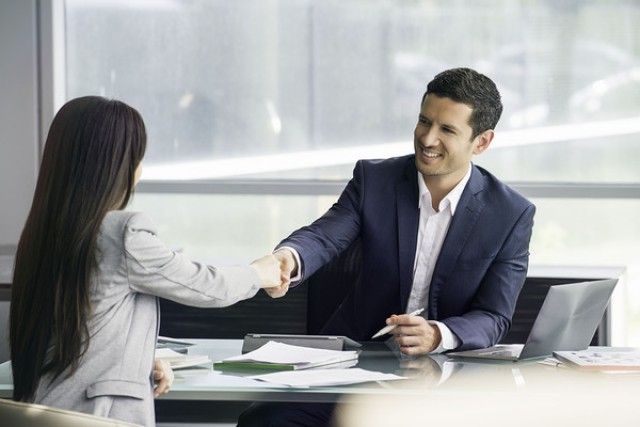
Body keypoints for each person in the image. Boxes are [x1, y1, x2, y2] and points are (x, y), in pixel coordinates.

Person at [239, 67, 536, 426]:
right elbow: (324, 235)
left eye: (447, 130)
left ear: (482, 142)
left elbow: (494, 316)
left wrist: (438, 334)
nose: (428, 139)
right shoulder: (374, 180)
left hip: (443, 381)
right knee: (266, 420)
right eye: (424, 122)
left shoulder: (510, 213)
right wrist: (287, 258)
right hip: (353, 369)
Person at [9, 96, 286, 427]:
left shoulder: (44, 234)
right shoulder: (122, 234)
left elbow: (79, 328)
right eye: (137, 156)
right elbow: (208, 286)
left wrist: (139, 361)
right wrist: (260, 272)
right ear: (119, 166)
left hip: (40, 412)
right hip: (97, 418)